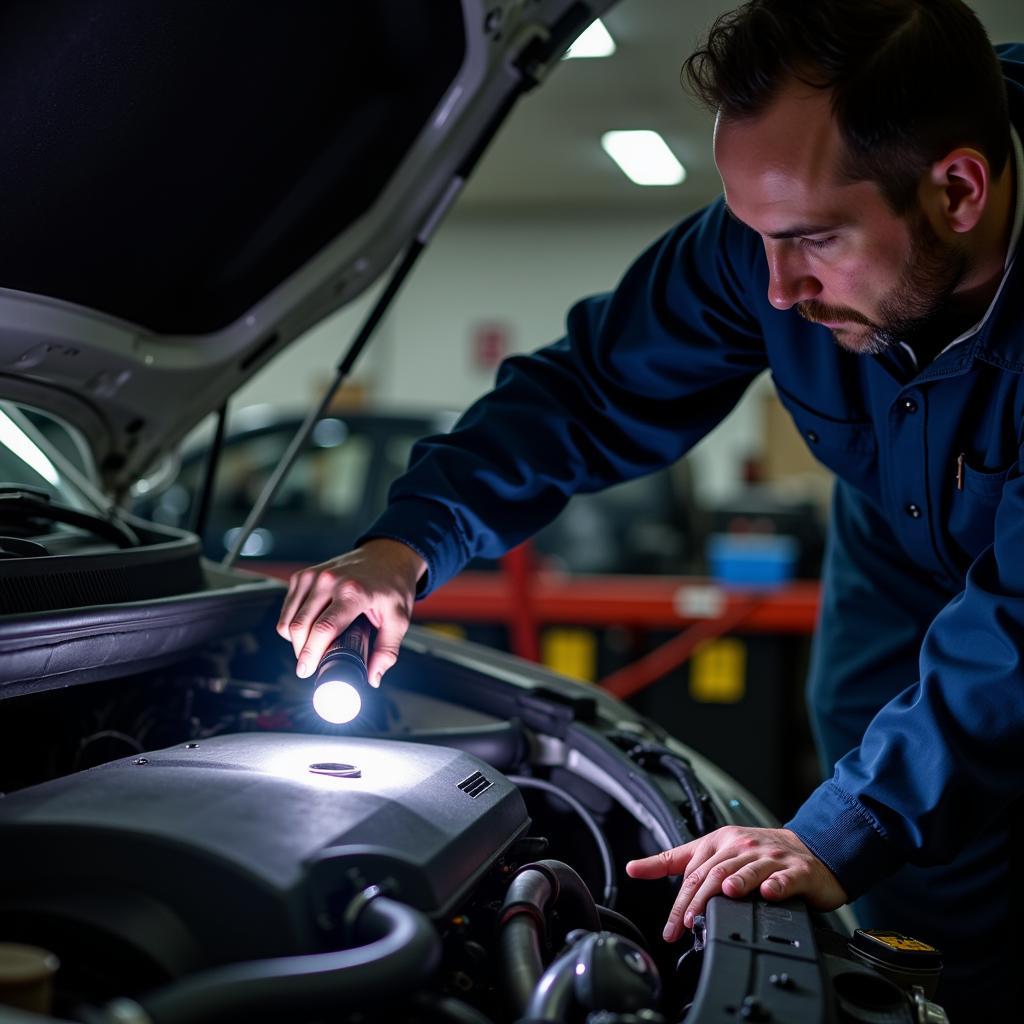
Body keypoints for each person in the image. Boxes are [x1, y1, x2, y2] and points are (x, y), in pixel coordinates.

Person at [278, 1, 1024, 1016]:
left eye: (810, 240)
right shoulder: (769, 256)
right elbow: (590, 391)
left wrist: (841, 823)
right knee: (921, 922)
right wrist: (409, 541)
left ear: (958, 189)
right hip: (894, 571)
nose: (774, 289)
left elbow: (1015, 623)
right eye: (752, 235)